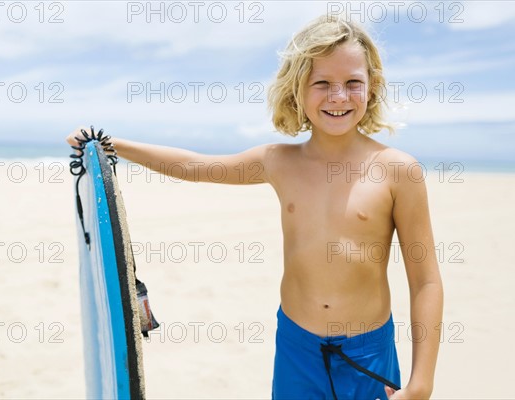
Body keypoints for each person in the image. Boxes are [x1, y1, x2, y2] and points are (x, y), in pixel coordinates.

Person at [67, 14, 443, 400]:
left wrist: (421, 382)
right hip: (298, 348)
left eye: (352, 83)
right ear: (298, 89)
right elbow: (197, 166)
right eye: (322, 83)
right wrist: (113, 145)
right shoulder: (279, 161)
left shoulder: (398, 171)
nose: (338, 96)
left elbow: (426, 280)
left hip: (368, 355)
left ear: (372, 86)